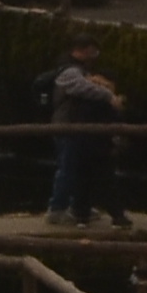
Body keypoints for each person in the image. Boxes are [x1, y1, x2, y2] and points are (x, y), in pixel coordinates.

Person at [46, 41, 122, 225]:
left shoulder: (80, 70)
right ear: (79, 50)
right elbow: (82, 88)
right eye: (91, 51)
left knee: (78, 169)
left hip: (75, 128)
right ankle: (57, 208)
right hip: (68, 127)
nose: (94, 55)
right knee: (68, 168)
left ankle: (78, 206)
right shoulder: (71, 71)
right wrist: (109, 95)